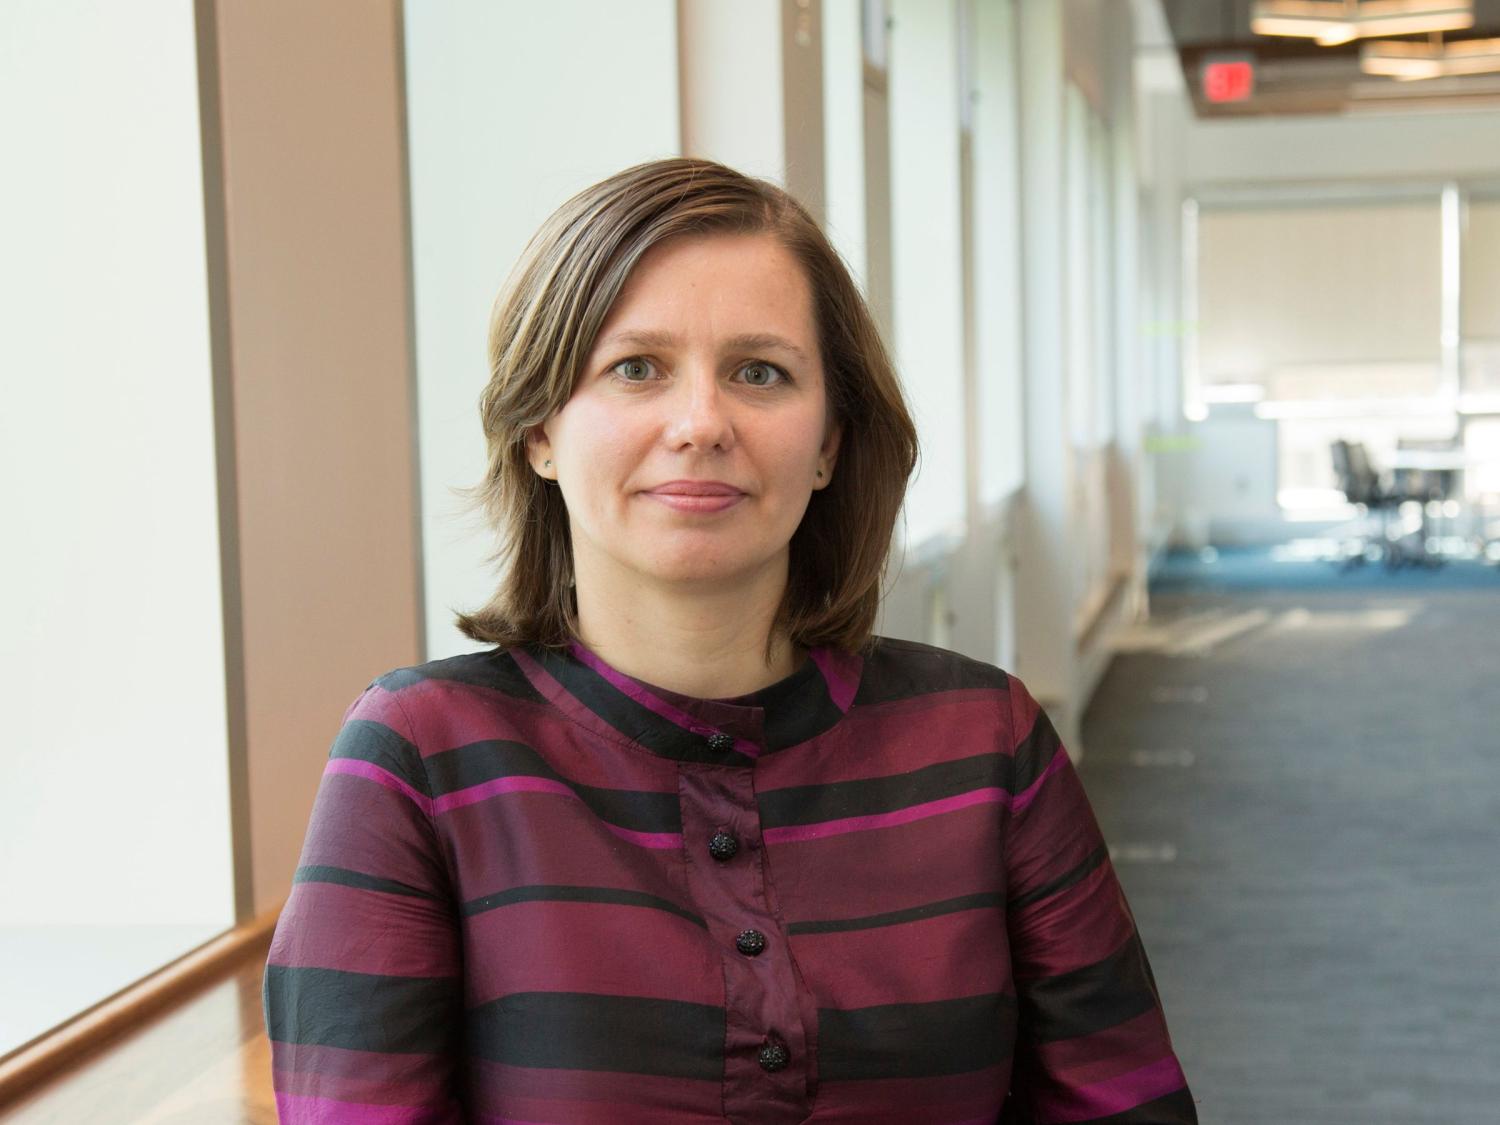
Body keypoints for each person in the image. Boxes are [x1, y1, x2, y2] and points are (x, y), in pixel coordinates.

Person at [263, 157, 1197, 1125]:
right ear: (540, 430)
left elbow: (1126, 1103)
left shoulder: (984, 743)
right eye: (636, 369)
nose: (701, 423)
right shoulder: (421, 756)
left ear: (830, 440)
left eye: (761, 372)